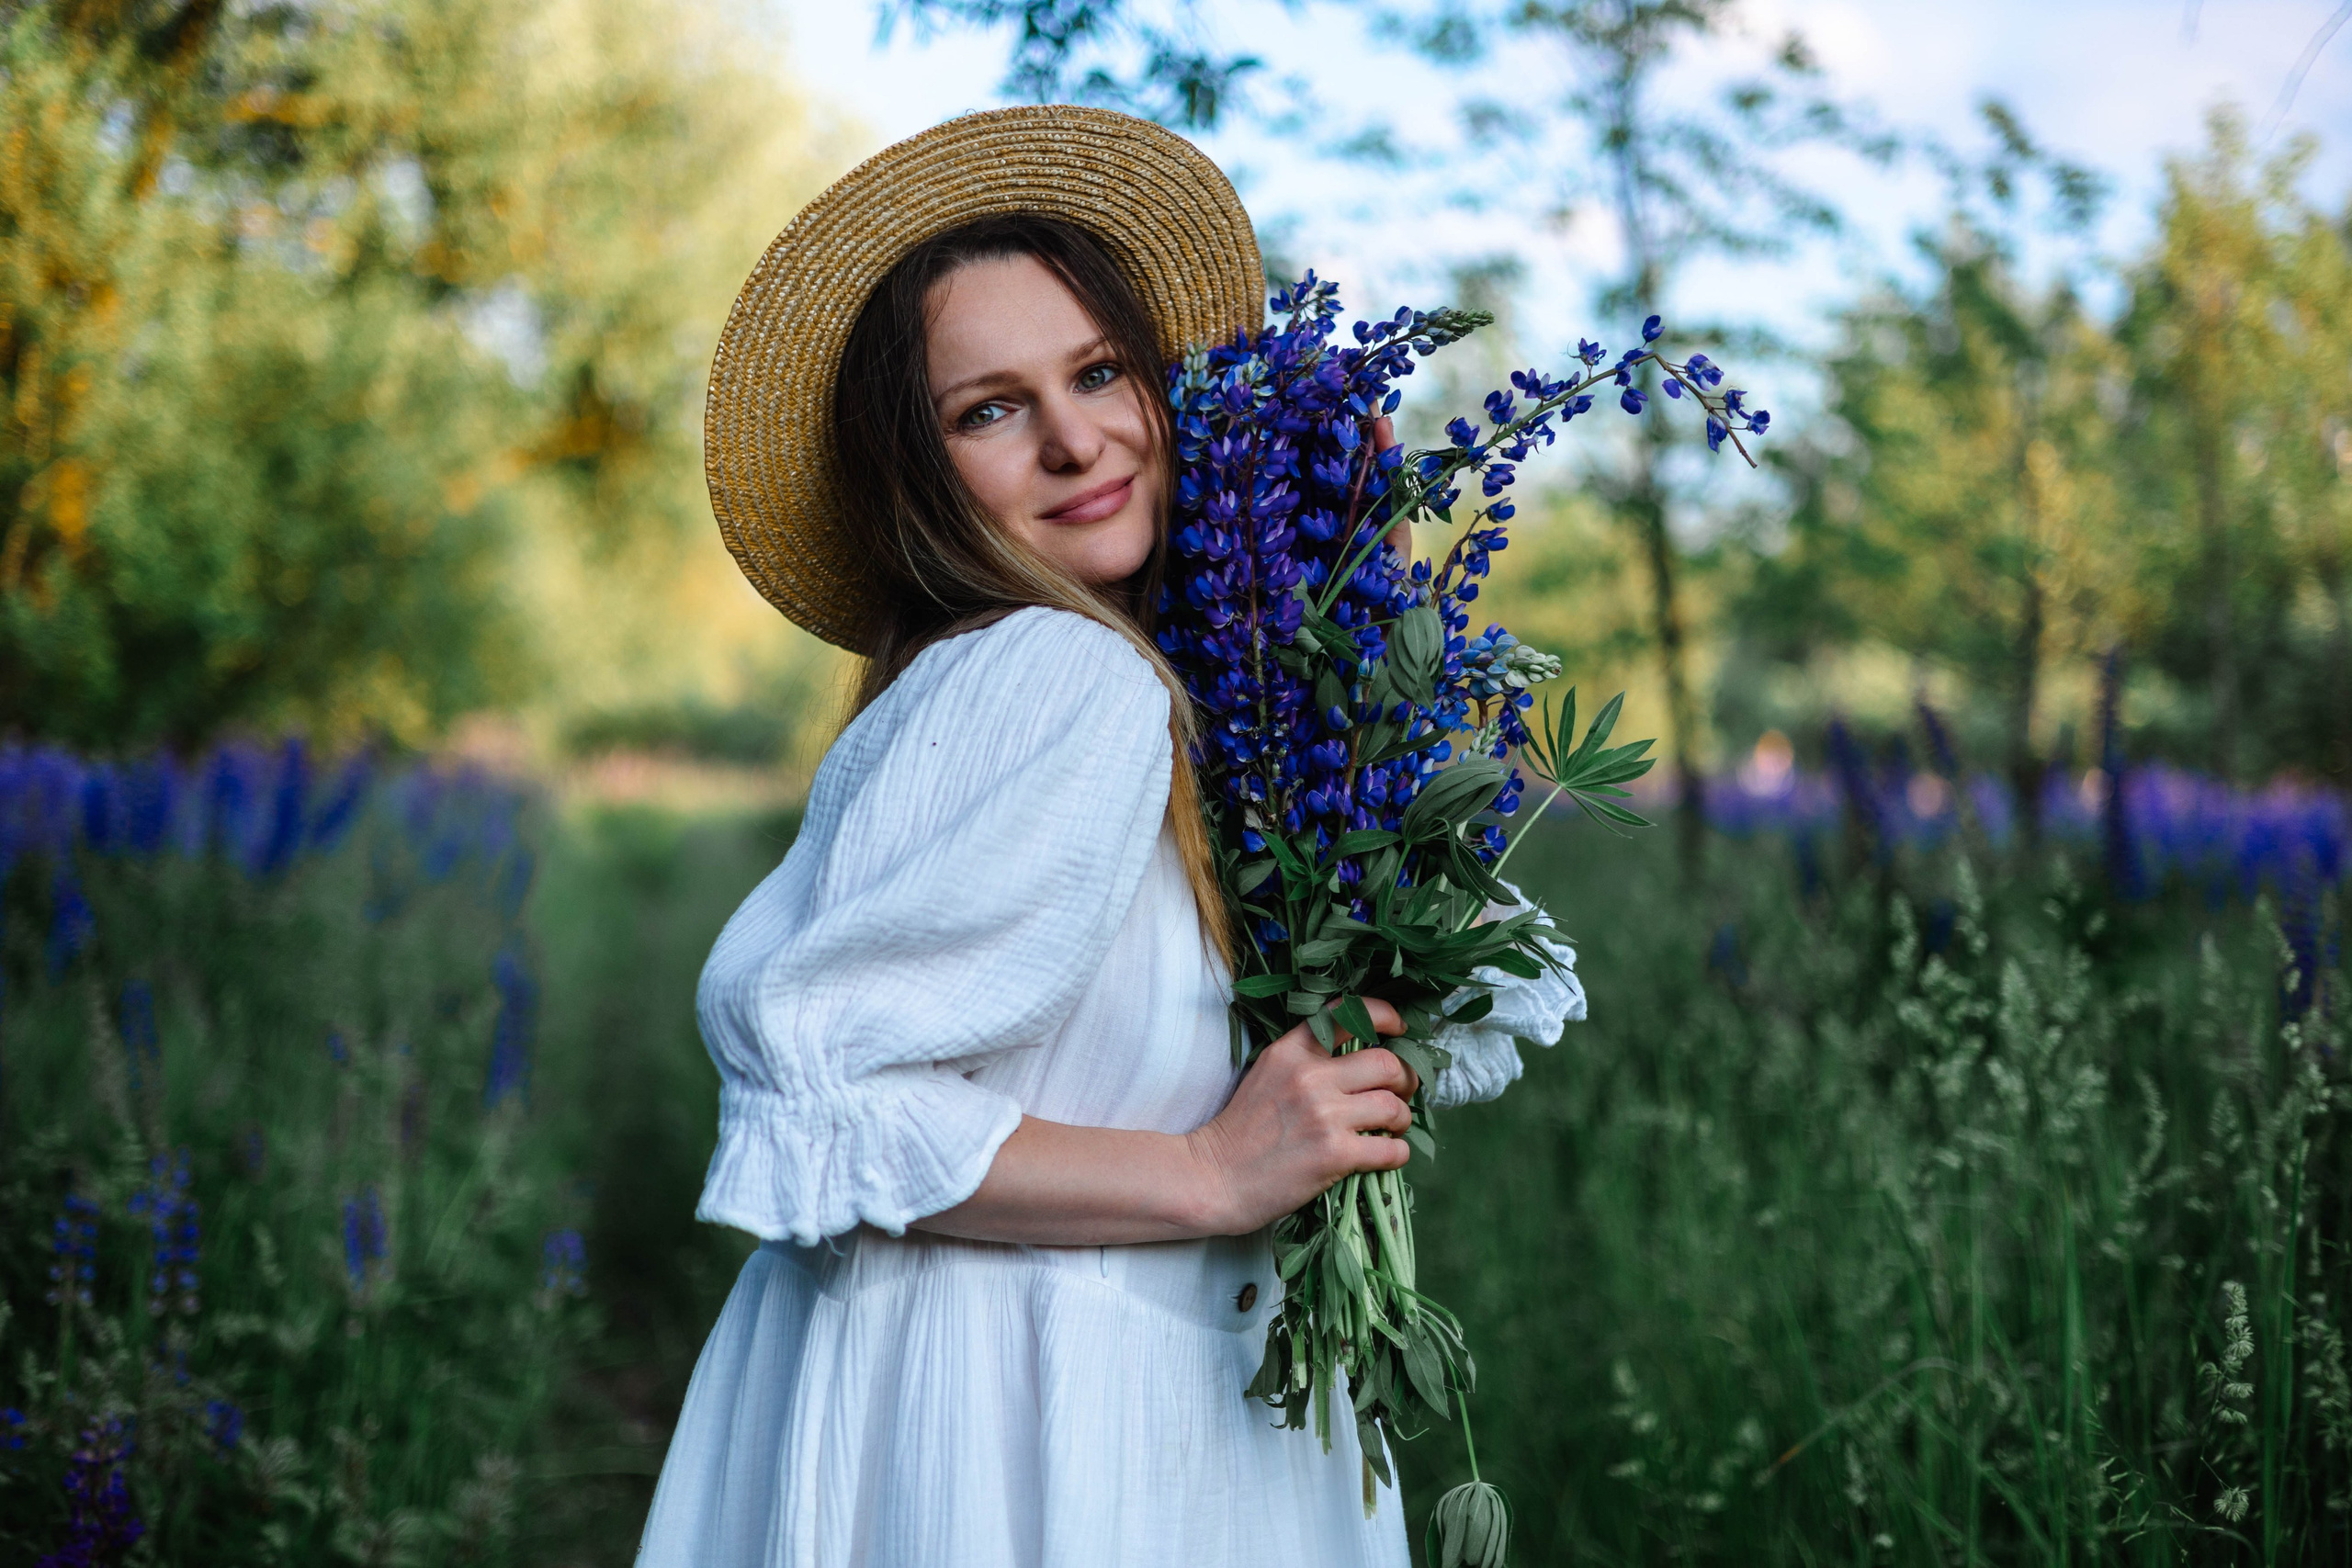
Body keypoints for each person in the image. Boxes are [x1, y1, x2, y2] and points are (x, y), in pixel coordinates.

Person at [634, 105, 1584, 1568]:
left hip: (975, 1382)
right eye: (990, 408)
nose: (1077, 438)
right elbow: (822, 1085)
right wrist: (1212, 1173)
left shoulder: (1051, 687)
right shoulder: (1061, 676)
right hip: (1019, 1427)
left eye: (1098, 373)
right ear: (920, 472)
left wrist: (1356, 621)